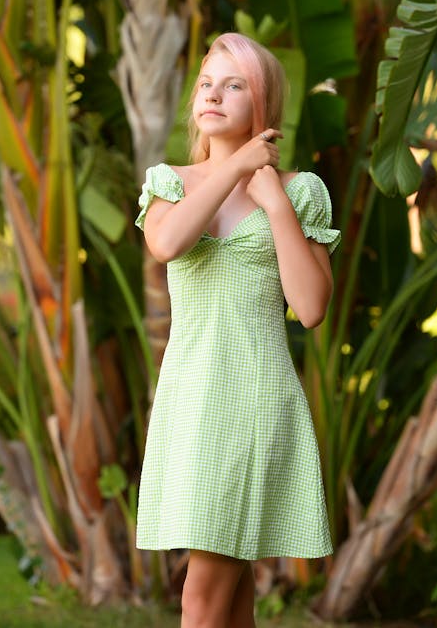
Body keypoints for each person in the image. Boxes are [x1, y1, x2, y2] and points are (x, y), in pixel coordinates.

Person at [135, 32, 340, 628]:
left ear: (263, 105)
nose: (214, 95)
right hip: (189, 401)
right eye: (207, 83)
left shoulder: (301, 192)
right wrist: (234, 169)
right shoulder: (169, 181)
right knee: (232, 599)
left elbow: (310, 308)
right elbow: (168, 244)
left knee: (201, 598)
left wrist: (274, 201)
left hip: (253, 400)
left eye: (234, 85)